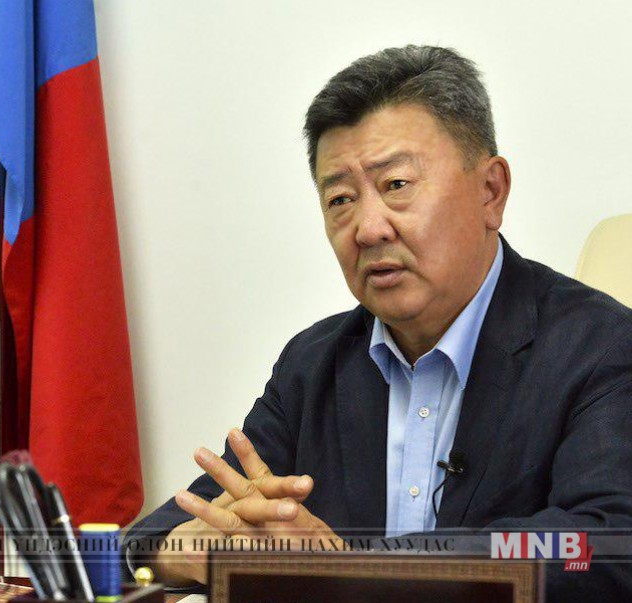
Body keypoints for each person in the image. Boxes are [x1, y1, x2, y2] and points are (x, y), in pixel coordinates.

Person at [124, 45, 632, 600]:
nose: (368, 229)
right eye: (340, 199)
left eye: (396, 186)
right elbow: (169, 532)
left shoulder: (601, 347)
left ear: (491, 191)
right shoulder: (314, 363)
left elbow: (601, 548)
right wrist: (187, 553)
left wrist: (352, 567)